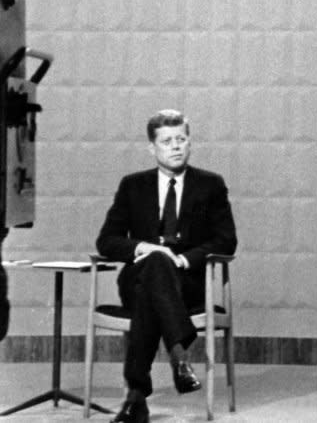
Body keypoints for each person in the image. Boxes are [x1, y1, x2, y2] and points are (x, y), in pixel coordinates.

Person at [97, 109, 237, 423]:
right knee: (156, 264)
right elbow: (106, 241)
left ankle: (136, 395)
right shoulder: (133, 185)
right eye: (166, 141)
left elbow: (226, 241)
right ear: (153, 148)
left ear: (189, 143)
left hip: (186, 281)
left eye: (181, 139)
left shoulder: (210, 185)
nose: (175, 146)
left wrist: (184, 258)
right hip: (138, 278)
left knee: (155, 287)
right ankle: (180, 354)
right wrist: (144, 247)